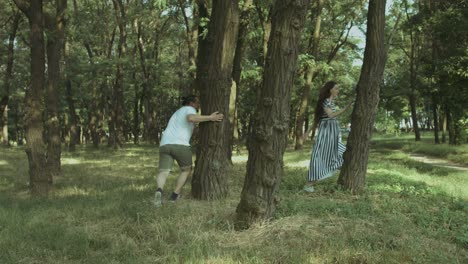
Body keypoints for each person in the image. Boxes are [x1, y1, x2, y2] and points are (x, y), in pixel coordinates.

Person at [154, 95, 223, 206]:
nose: (199, 105)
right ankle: (174, 196)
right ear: (191, 103)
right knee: (186, 170)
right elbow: (191, 118)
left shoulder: (177, 113)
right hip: (180, 144)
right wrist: (211, 118)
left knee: (163, 171)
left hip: (164, 144)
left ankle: (159, 191)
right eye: (197, 103)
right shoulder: (189, 109)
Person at [303, 81, 353, 192]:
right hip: (326, 133)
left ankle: (311, 183)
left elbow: (319, 118)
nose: (338, 91)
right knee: (320, 155)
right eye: (336, 88)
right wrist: (346, 108)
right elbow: (330, 115)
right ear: (330, 90)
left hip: (333, 132)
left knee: (337, 152)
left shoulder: (331, 102)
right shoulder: (326, 102)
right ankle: (309, 184)